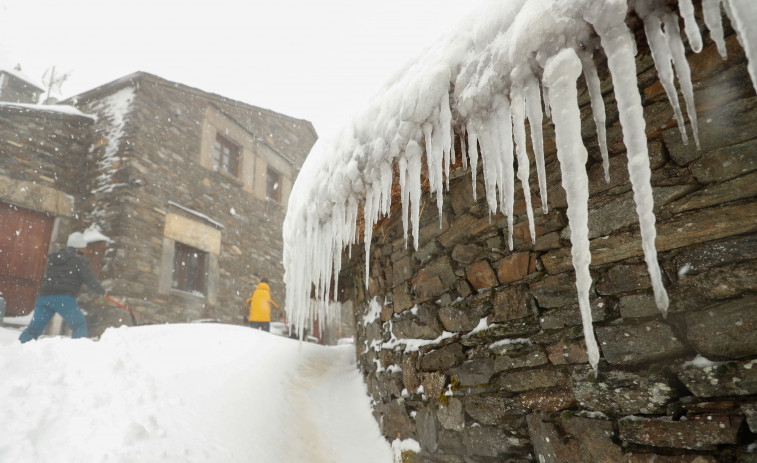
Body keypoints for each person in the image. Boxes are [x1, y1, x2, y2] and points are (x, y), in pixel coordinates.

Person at [19, 232, 105, 343]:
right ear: (80, 247)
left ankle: (19, 347)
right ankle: (78, 351)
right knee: (79, 325)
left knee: (34, 329)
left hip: (44, 297)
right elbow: (89, 279)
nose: (86, 249)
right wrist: (101, 291)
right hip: (63, 298)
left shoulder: (55, 258)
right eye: (85, 246)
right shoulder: (79, 260)